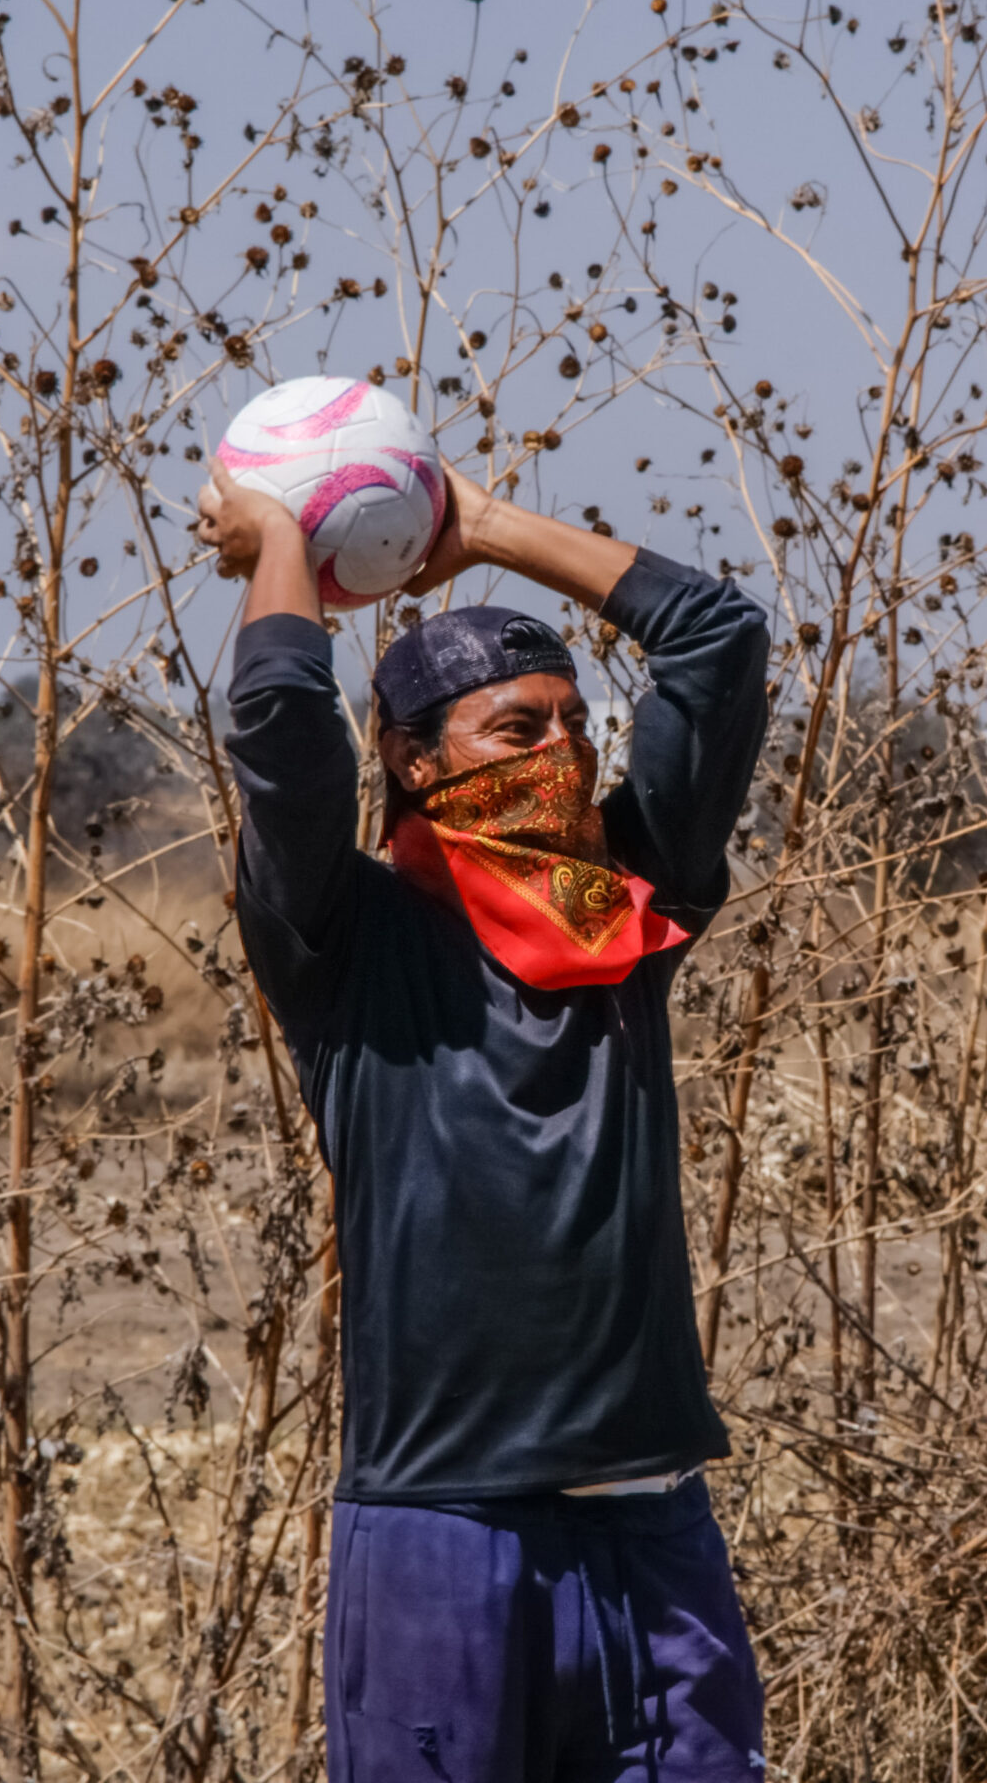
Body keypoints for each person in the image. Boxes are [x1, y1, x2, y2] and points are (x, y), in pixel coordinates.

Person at [198, 456, 771, 1782]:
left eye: (576, 727)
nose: (563, 753)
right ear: (412, 759)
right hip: (443, 1537)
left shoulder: (625, 909)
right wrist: (288, 530)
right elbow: (282, 725)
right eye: (518, 730)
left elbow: (718, 640)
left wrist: (486, 531)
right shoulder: (344, 940)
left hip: (654, 1527)